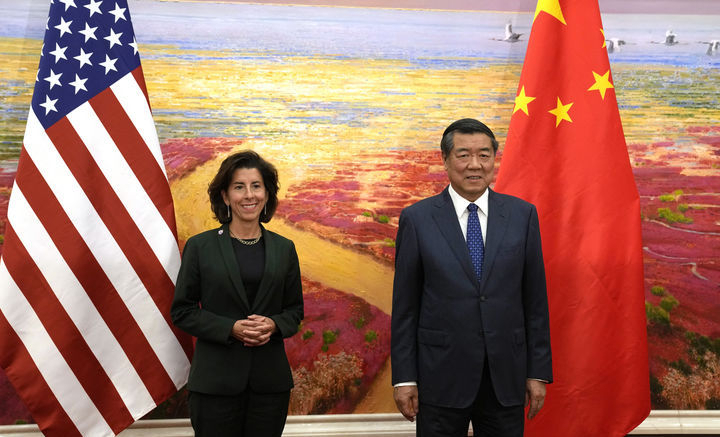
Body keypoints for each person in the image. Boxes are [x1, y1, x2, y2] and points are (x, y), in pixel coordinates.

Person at [391, 119, 552, 437]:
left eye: (484, 155)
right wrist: (405, 378)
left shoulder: (522, 216)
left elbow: (535, 302)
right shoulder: (418, 219)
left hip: (505, 376)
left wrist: (537, 372)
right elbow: (406, 308)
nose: (474, 165)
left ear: (495, 158)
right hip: (440, 377)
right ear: (445, 160)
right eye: (463, 155)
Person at [171, 150, 303, 437]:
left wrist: (274, 324)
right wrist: (230, 328)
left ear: (267, 194)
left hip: (269, 386)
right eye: (239, 187)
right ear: (225, 195)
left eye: (256, 186)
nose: (249, 195)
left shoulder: (285, 248)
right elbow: (182, 311)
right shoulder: (200, 247)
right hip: (214, 385)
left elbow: (294, 311)